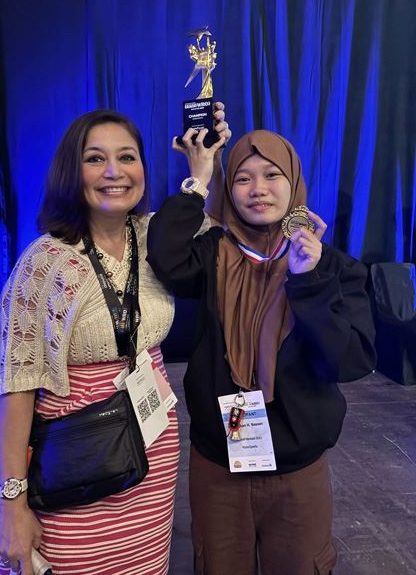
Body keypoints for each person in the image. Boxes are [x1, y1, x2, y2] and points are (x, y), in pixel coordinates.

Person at [0, 107, 231, 575]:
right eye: (95, 158)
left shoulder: (156, 237)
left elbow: (216, 222)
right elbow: (17, 390)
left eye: (127, 157)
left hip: (151, 453)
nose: (114, 172)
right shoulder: (45, 264)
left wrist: (210, 161)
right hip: (74, 461)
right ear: (71, 171)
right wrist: (11, 505)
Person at [147, 127, 377, 575]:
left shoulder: (331, 267)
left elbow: (350, 359)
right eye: (242, 178)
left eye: (272, 175)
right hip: (219, 464)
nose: (258, 189)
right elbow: (165, 255)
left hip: (297, 469)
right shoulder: (212, 254)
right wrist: (200, 179)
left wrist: (307, 282)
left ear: (294, 181)